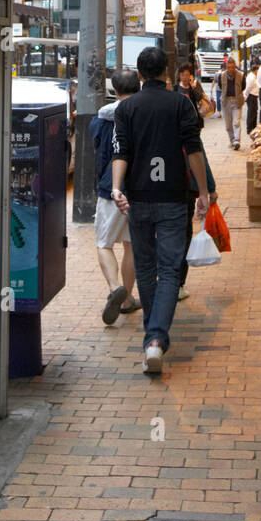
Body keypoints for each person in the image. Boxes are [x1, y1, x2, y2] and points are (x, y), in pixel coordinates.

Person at [111, 46, 208, 375]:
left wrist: (116, 188)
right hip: (172, 198)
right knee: (169, 270)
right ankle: (155, 340)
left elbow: (120, 151)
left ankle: (152, 338)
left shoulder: (127, 108)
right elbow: (193, 148)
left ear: (139, 75)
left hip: (138, 198)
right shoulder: (180, 103)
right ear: (166, 72)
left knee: (145, 266)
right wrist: (204, 191)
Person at [90, 70, 142, 326]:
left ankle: (114, 288)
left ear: (115, 89)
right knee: (130, 245)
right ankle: (127, 298)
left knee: (104, 243)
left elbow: (100, 155)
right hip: (138, 189)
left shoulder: (102, 118)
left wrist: (103, 181)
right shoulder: (143, 113)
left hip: (111, 188)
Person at [174, 62, 218, 301]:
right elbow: (198, 158)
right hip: (184, 190)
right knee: (182, 234)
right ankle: (177, 283)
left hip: (161, 192)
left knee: (168, 235)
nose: (185, 75)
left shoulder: (194, 90)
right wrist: (208, 190)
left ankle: (167, 281)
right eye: (183, 72)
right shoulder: (189, 136)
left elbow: (209, 107)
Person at [217, 55, 245, 149]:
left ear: (235, 66)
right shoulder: (221, 76)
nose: (231, 69)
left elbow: (243, 87)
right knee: (228, 125)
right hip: (226, 101)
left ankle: (237, 141)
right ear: (226, 67)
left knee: (236, 122)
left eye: (232, 67)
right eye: (229, 67)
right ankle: (232, 140)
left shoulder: (241, 75)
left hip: (237, 100)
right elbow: (221, 87)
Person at [244, 60, 259, 139]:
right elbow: (248, 88)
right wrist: (245, 97)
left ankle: (253, 127)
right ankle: (249, 128)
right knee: (251, 113)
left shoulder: (254, 77)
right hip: (251, 96)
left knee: (254, 112)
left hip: (254, 96)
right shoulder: (251, 77)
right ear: (255, 70)